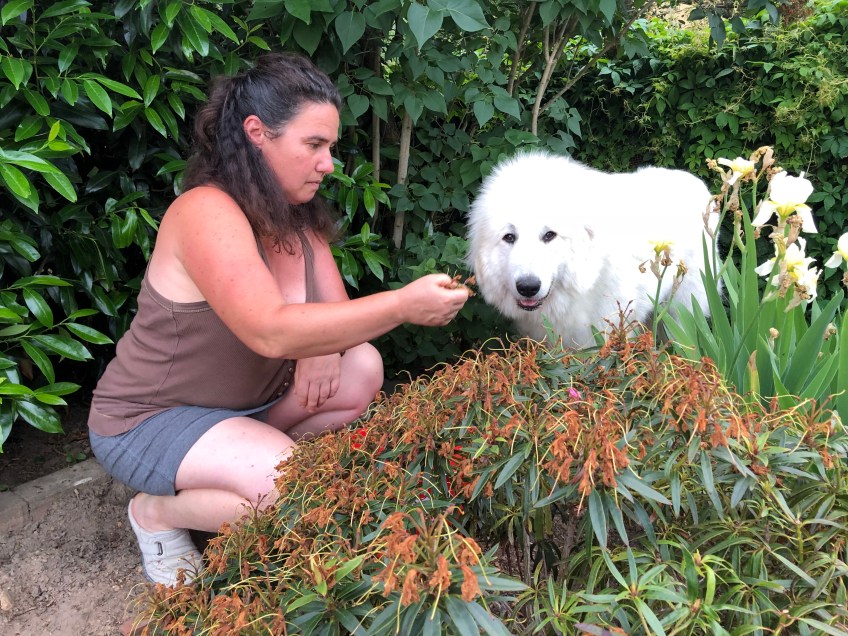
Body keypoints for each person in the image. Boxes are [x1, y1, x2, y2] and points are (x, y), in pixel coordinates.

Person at [86, 52, 470, 587]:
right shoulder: (205, 212)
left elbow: (336, 320)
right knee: (293, 493)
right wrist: (403, 305)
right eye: (314, 145)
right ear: (257, 133)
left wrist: (323, 347)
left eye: (330, 147)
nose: (329, 163)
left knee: (361, 364)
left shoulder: (294, 217)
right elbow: (268, 329)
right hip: (150, 418)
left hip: (244, 408)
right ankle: (155, 513)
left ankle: (248, 468)